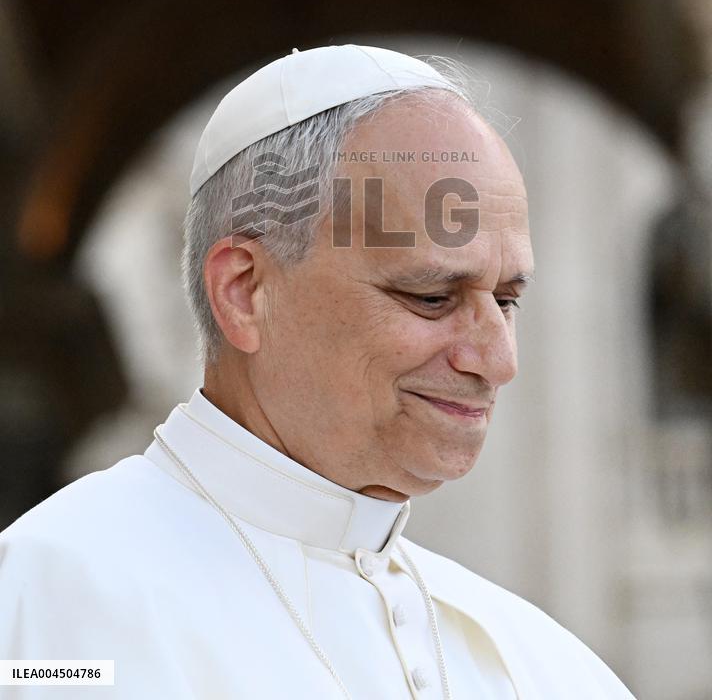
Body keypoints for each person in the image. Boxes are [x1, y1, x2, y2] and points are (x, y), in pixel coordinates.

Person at [0, 44, 635, 698]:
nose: (498, 360)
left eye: (506, 301)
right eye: (431, 297)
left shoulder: (548, 667)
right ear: (245, 291)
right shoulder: (50, 605)